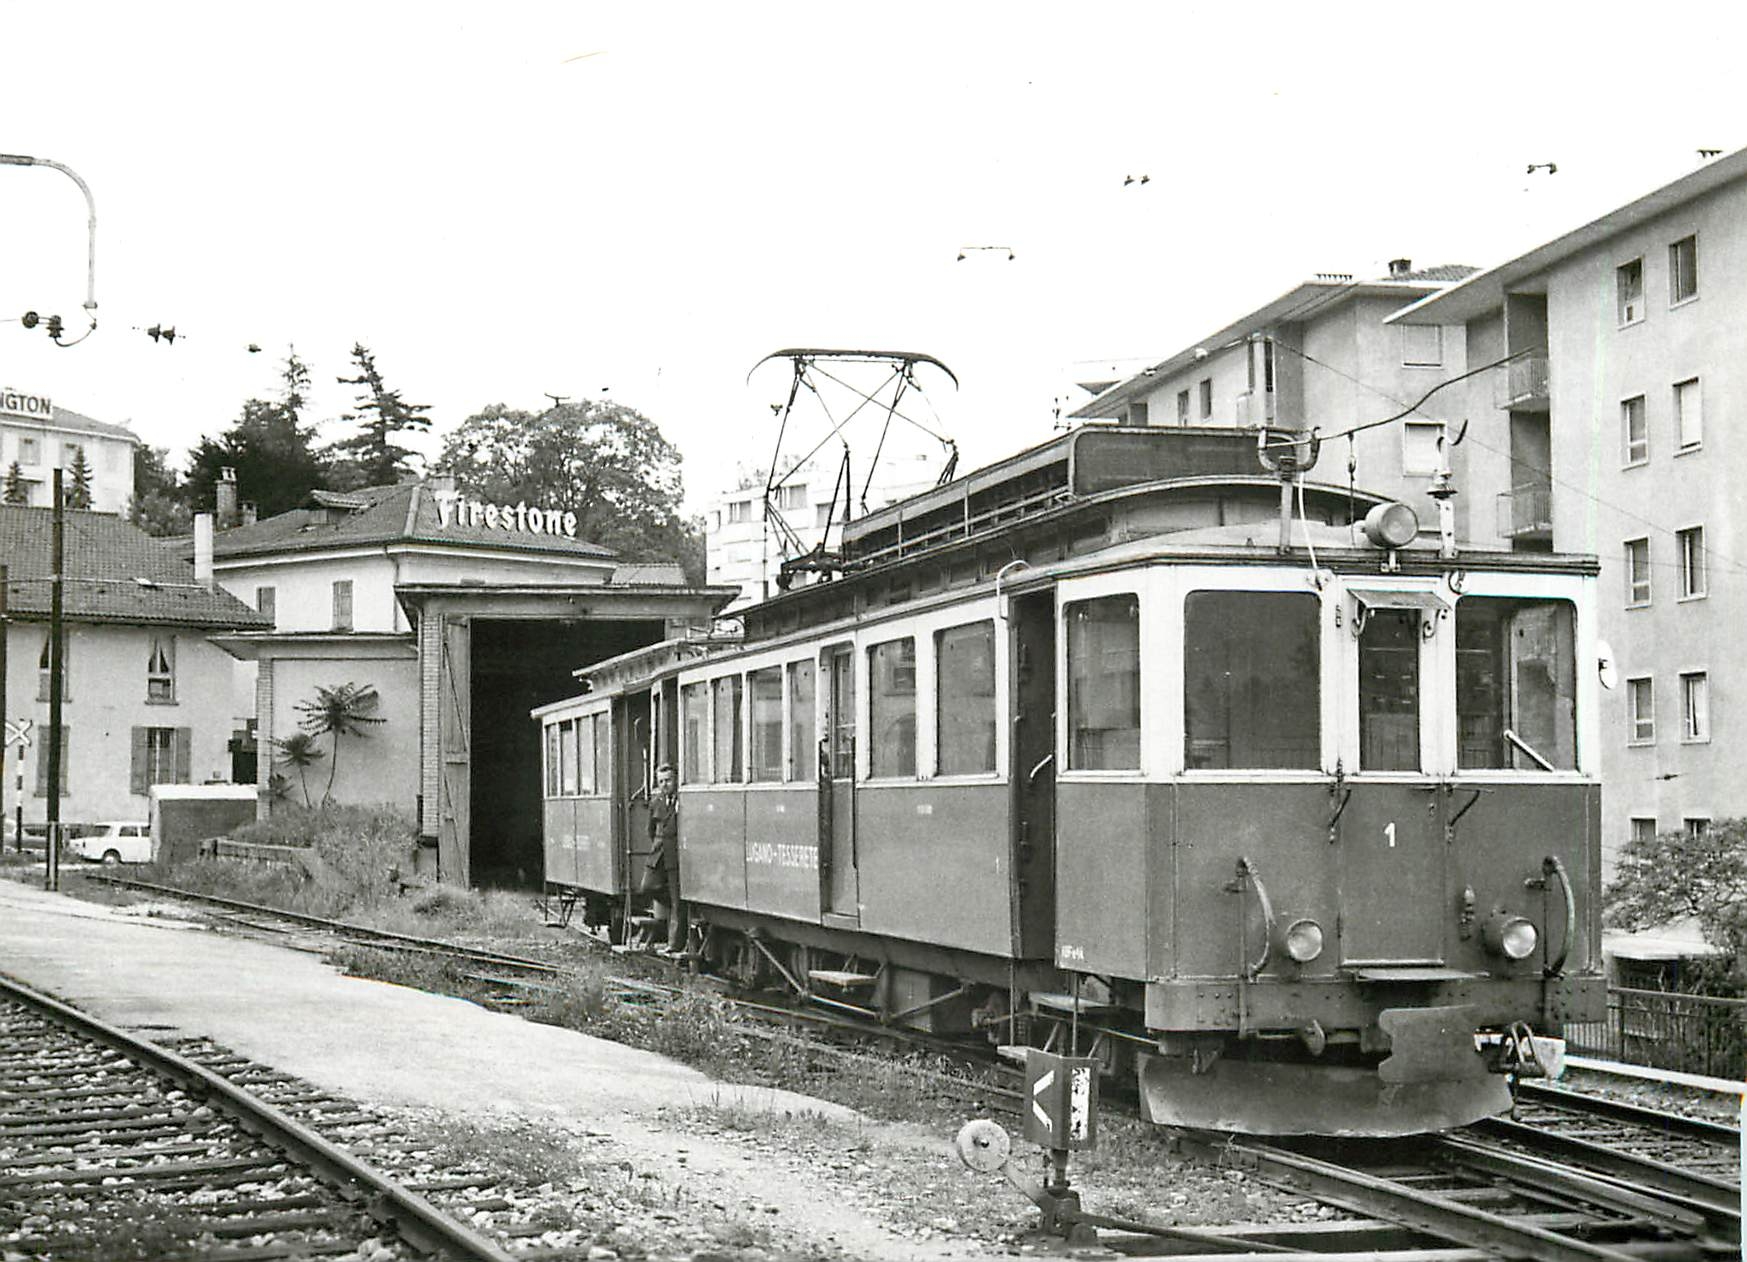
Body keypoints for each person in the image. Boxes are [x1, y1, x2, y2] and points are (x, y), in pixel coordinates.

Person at [643, 762, 685, 953]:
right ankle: (681, 908)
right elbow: (650, 829)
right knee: (648, 886)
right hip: (659, 852)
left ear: (675, 780)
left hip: (676, 854)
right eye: (661, 781)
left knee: (677, 901)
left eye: (668, 780)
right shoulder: (656, 802)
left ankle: (673, 943)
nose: (664, 784)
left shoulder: (682, 799)